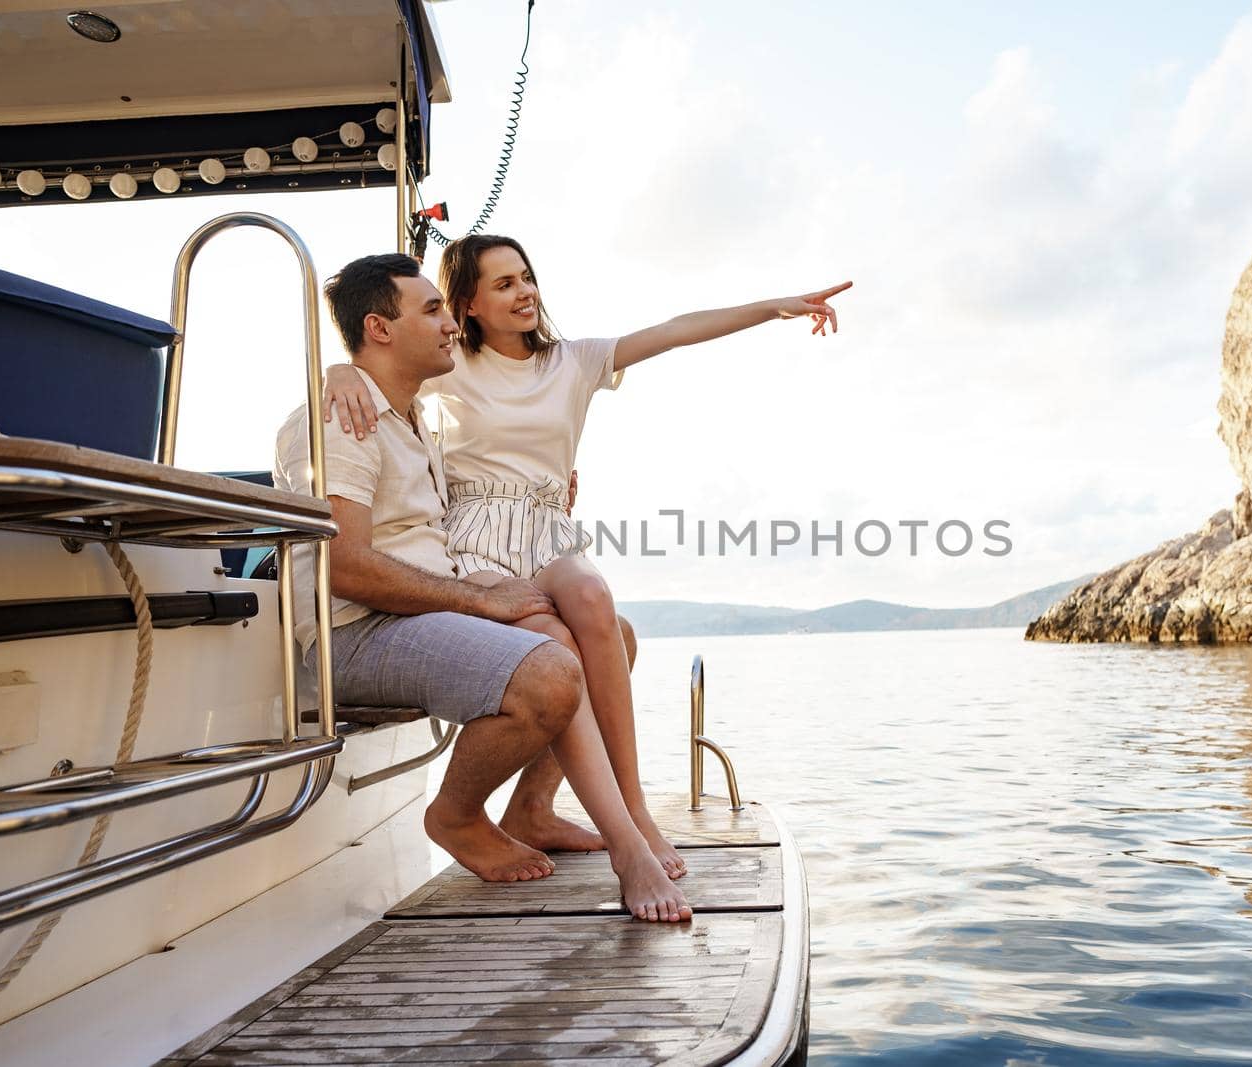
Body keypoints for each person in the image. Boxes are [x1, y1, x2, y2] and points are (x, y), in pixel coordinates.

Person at [324, 234, 851, 879]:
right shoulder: (450, 360)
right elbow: (379, 365)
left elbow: (675, 331)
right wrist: (339, 369)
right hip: (474, 531)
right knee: (554, 647)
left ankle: (617, 811)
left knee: (600, 610)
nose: (524, 293)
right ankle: (607, 830)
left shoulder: (572, 362)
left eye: (526, 278)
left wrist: (777, 306)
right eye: (504, 284)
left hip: (545, 524)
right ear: (468, 305)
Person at [276, 252, 689, 922]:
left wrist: (550, 497)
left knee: (602, 635)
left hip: (412, 615)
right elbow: (343, 568)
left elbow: (477, 497)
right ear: (380, 330)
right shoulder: (339, 418)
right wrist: (480, 599)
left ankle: (535, 808)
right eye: (432, 309)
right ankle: (463, 816)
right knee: (552, 672)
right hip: (354, 631)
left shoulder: (413, 422)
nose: (448, 322)